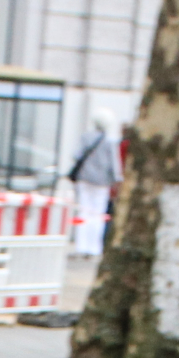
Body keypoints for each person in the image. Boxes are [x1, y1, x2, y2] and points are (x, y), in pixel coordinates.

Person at [67, 110, 121, 258]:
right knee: (98, 214)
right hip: (102, 182)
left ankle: (81, 246)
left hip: (85, 179)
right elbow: (114, 164)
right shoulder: (110, 142)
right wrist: (117, 180)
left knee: (84, 211)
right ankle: (94, 248)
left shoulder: (86, 137)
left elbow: (76, 155)